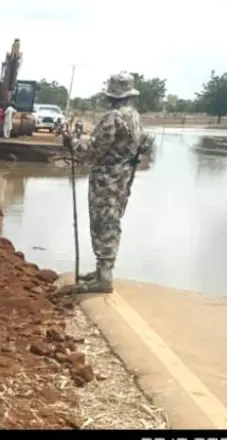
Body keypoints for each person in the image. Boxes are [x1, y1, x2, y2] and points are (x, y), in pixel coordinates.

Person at [58, 72, 153, 295]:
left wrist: (71, 142)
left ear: (112, 96)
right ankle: (102, 271)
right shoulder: (134, 117)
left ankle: (104, 277)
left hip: (107, 180)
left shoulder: (114, 117)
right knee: (112, 221)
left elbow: (92, 152)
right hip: (124, 179)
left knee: (103, 223)